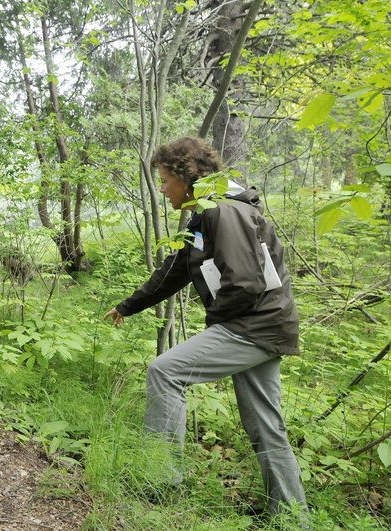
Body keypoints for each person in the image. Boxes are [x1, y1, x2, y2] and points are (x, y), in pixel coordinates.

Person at [104, 137, 308, 515]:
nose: (162, 189)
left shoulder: (223, 212)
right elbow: (178, 270)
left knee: (165, 371)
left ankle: (160, 480)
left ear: (186, 175)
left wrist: (217, 324)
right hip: (265, 326)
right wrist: (128, 306)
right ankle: (293, 517)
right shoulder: (209, 212)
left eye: (165, 180)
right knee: (266, 425)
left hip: (252, 327)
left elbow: (245, 282)